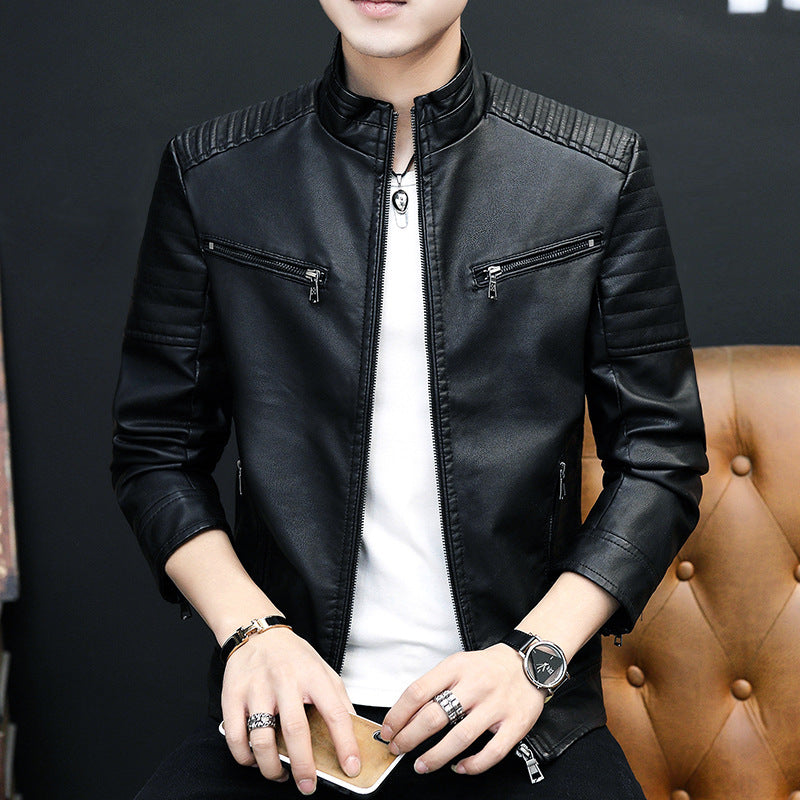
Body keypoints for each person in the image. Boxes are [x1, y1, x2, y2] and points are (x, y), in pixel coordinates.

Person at [110, 1, 708, 797]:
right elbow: (157, 453)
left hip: (521, 715)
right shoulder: (214, 172)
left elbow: (660, 458)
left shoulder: (594, 172)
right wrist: (252, 633)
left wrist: (532, 659)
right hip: (292, 715)